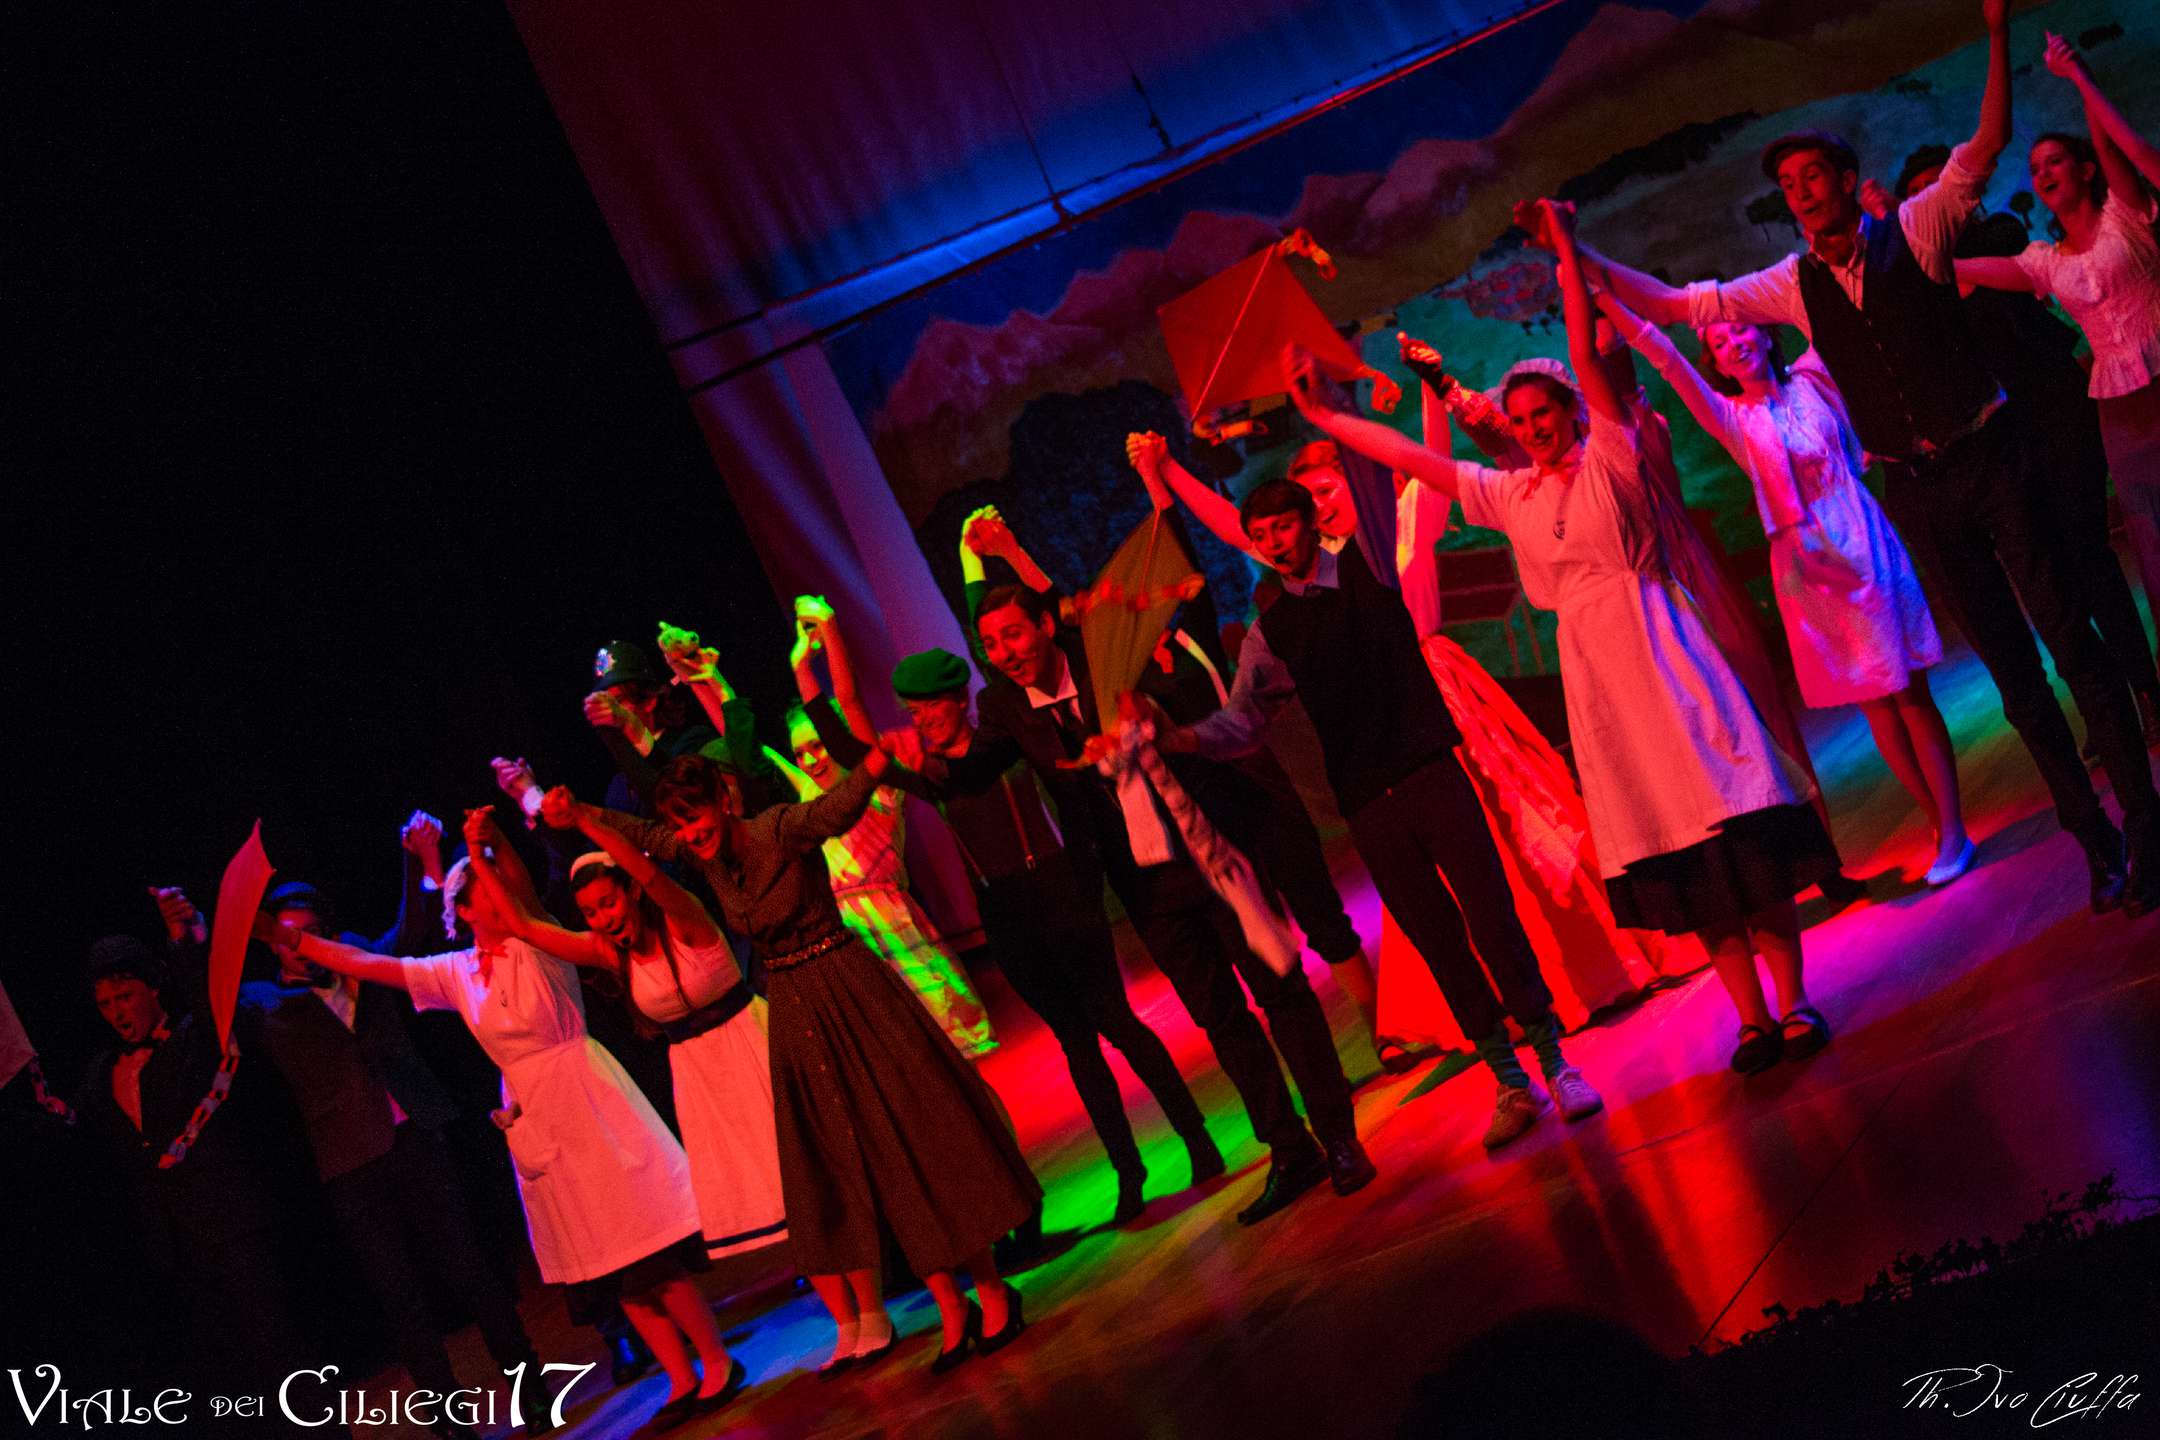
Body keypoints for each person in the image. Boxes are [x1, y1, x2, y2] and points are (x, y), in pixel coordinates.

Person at [1557, 0, 2160, 914]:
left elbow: (1986, 144)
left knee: (2072, 642)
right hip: (1919, 489)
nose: (1799, 191)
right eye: (1786, 183)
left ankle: (2146, 831)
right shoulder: (1791, 285)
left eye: (1811, 175)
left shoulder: (1915, 229)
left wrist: (1997, 34)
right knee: (2015, 678)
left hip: (1991, 458)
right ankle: (2096, 844)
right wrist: (1575, 249)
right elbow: (1677, 307)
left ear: (1845, 180)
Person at [1291, 199, 1841, 1076]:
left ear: (1573, 411)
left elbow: (1587, 357)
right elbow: (1412, 461)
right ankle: (1749, 1019)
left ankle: (1796, 1001)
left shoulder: (1612, 458)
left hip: (1668, 658)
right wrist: (1326, 420)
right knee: (1687, 856)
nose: (1532, 425)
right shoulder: (1512, 496)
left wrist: (1564, 252)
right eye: (1519, 417)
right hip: (1605, 690)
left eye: (1543, 410)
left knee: (1741, 831)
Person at [1130, 408, 1660, 1049]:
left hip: (1438, 722)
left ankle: (1553, 1019)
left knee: (1501, 877)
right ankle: (1500, 1049)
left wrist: (1361, 402)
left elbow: (1424, 463)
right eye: (1303, 502)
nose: (1309, 517)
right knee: (1433, 920)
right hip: (1371, 778)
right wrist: (1169, 472)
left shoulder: (1384, 546)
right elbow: (1239, 550)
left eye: (1327, 491)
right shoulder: (1285, 613)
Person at [254, 825, 747, 1433]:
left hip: (587, 1097)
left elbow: (525, 895)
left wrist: (485, 846)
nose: (501, 895)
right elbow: (366, 962)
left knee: (647, 1248)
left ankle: (716, 1361)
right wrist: (287, 937)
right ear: (464, 910)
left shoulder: (539, 944)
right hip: (535, 1113)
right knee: (608, 1260)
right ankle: (678, 1375)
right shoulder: (457, 971)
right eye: (484, 890)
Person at [577, 746, 1041, 1374]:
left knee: (914, 1138)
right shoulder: (705, 858)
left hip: (848, 987)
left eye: (697, 816)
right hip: (796, 1011)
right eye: (680, 824)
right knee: (869, 1162)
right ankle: (949, 1306)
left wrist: (877, 760)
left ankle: (990, 1288)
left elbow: (836, 809)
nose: (690, 832)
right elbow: (644, 836)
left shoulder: (779, 829)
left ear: (724, 801)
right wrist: (580, 814)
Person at [946, 574, 1372, 1222]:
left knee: (1279, 991)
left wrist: (1146, 709)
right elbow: (969, 771)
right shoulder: (1004, 705)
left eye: (1013, 635)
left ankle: (1337, 1135)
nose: (1004, 653)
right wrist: (903, 751)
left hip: (1209, 847)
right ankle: (1289, 1149)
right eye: (991, 645)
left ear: (1045, 627)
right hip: (1145, 885)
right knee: (1218, 1015)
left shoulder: (1110, 658)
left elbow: (1188, 696)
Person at [797, 604, 1223, 1226]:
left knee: (1118, 1024)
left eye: (930, 707)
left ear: (957, 701)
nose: (921, 719)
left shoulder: (1007, 746)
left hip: (1059, 893)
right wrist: (814, 659)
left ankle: (1197, 1137)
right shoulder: (931, 775)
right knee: (1076, 1045)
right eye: (913, 711)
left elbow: (1040, 793)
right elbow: (847, 740)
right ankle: (1129, 1172)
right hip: (1005, 914)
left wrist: (1084, 889)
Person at [1593, 293, 1975, 885]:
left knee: (1908, 689)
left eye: (1739, 330)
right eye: (1718, 342)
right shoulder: (1733, 418)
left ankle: (1952, 827)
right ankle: (1934, 820)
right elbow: (1666, 358)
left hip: (1860, 534)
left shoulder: (1812, 381)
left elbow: (1827, 305)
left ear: (1765, 333)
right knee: (1874, 699)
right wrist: (1604, 294)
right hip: (1809, 565)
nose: (1732, 344)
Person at [144, 863, 536, 1427]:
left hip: (415, 1139)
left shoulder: (362, 961)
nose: (297, 946)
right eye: (285, 935)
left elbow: (411, 931)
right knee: (403, 1300)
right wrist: (189, 940)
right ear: (271, 944)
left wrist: (416, 863)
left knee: (471, 1269)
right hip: (349, 1167)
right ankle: (448, 1423)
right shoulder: (262, 1003)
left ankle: (530, 1390)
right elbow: (212, 1005)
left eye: (307, 933)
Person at [1879, 142, 2160, 747]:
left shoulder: (2000, 234)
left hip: (2055, 410)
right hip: (2003, 440)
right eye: (1920, 195)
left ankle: (2147, 691)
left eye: (1939, 188)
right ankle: (2107, 708)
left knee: (2088, 554)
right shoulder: (1920, 280)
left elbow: (1984, 281)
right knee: (2051, 577)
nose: (1935, 201)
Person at [1953, 30, 2160, 742]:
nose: (2042, 172)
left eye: (2055, 161)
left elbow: (2124, 149)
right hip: (2121, 414)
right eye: (2035, 166)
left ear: (2085, 170)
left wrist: (2079, 79)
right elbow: (1960, 269)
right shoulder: (2045, 261)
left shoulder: (2126, 215)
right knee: (2153, 546)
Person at [73, 924, 312, 1403]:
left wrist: (187, 942)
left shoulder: (191, 1040)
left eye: (125, 997)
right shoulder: (101, 1075)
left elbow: (218, 1015)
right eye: (106, 1004)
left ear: (153, 988)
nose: (117, 1012)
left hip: (234, 1227)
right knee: (233, 1376)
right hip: (177, 1248)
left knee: (283, 1355)